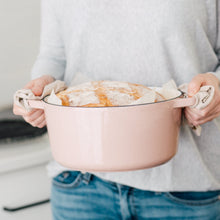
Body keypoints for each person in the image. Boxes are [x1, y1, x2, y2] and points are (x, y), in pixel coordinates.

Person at [13, 0, 220, 219]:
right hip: (80, 185)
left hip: (184, 189)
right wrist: (40, 90)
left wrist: (216, 88)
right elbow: (54, 56)